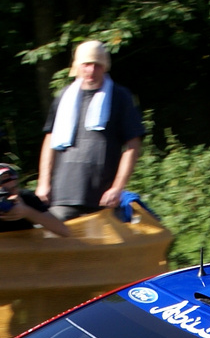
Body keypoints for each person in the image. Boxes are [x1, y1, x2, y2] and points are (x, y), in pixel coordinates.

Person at [37, 40, 145, 221]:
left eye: (97, 65)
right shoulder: (64, 96)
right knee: (57, 247)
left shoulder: (120, 96)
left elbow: (133, 145)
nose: (91, 71)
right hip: (62, 196)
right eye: (86, 65)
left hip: (102, 199)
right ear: (77, 66)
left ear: (105, 67)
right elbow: (50, 141)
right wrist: (43, 183)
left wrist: (117, 188)